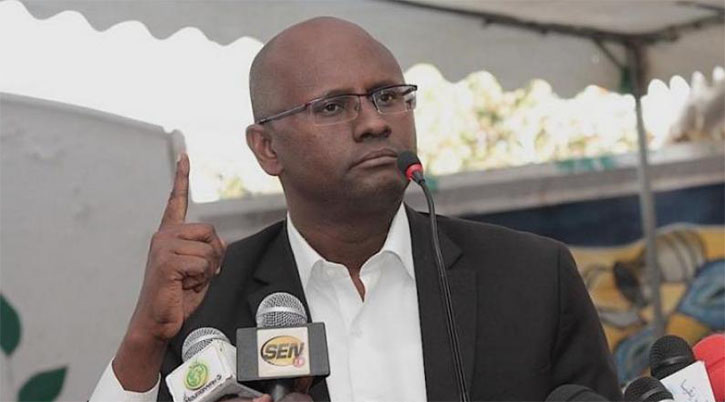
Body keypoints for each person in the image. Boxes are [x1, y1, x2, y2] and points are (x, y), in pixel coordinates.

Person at [90, 17, 621, 402]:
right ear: (267, 148)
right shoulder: (204, 304)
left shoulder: (533, 277)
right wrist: (143, 339)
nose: (374, 122)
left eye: (389, 96)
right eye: (333, 106)